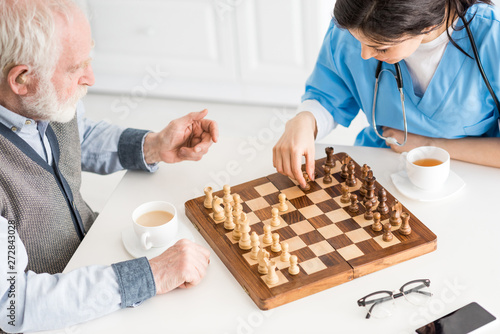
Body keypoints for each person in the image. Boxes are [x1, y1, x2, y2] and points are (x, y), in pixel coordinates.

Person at [0, 0, 218, 332]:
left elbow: (77, 137)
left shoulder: (42, 100)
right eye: (77, 68)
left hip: (94, 257)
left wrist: (154, 146)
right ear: (22, 79)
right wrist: (152, 275)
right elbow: (14, 304)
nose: (91, 78)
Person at [273, 0, 500, 188]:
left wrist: (428, 144)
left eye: (381, 48)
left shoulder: (492, 37)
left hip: (470, 176)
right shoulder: (356, 22)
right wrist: (305, 119)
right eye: (358, 41)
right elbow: (328, 96)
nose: (364, 55)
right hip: (376, 167)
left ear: (428, 25)